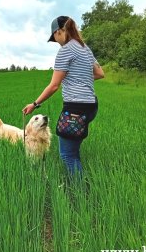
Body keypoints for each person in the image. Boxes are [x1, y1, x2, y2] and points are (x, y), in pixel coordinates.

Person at [22, 16, 104, 179]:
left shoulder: (65, 50)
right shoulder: (85, 48)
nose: (57, 42)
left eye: (55, 38)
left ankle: (80, 193)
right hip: (91, 106)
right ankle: (79, 182)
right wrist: (77, 78)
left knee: (67, 155)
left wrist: (35, 104)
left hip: (76, 108)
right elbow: (100, 73)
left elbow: (53, 85)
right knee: (73, 149)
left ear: (60, 31)